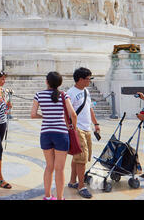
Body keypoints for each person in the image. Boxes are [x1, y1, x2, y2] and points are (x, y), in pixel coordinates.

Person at [31, 71, 78, 200]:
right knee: (60, 169)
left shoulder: (39, 95)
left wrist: (45, 116)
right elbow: (73, 114)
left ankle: (47, 196)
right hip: (61, 134)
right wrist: (73, 127)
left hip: (46, 133)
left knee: (49, 166)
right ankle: (60, 197)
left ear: (47, 82)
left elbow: (33, 114)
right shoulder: (64, 95)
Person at [66, 67, 100, 199]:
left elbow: (89, 108)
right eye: (88, 79)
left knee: (78, 157)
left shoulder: (86, 91)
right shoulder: (70, 93)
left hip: (87, 128)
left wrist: (96, 124)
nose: (90, 81)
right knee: (82, 158)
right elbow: (67, 113)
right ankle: (81, 186)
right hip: (77, 129)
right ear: (80, 79)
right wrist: (72, 129)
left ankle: (72, 181)